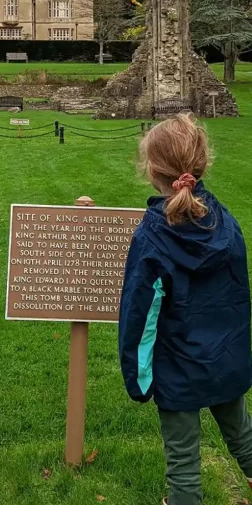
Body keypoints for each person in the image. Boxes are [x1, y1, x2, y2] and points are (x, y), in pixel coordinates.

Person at [118, 113, 252, 505]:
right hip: (227, 358)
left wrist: (138, 379)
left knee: (183, 465)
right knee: (243, 436)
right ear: (201, 162)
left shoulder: (150, 238)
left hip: (177, 369)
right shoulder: (226, 223)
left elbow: (139, 319)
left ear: (151, 170)